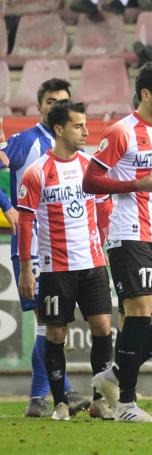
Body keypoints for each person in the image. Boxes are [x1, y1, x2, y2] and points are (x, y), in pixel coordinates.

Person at [83, 62, 152, 423]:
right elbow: (91, 181)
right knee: (139, 314)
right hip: (128, 235)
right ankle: (126, 404)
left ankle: (115, 374)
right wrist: (135, 185)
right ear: (146, 94)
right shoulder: (120, 132)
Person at [16, 100, 114, 421]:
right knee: (56, 334)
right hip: (56, 267)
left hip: (93, 264)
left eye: (86, 124)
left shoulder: (91, 166)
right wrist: (28, 269)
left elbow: (103, 211)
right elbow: (26, 222)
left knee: (102, 327)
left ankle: (100, 401)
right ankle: (60, 403)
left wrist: (107, 248)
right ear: (59, 129)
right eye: (78, 125)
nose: (86, 131)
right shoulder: (36, 173)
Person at [0, 79, 88, 418]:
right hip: (33, 244)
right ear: (40, 106)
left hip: (68, 247)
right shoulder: (23, 142)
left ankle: (52, 395)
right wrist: (6, 205)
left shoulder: (74, 146)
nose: (56, 106)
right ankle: (43, 397)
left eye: (63, 101)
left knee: (53, 324)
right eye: (51, 101)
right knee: (45, 321)